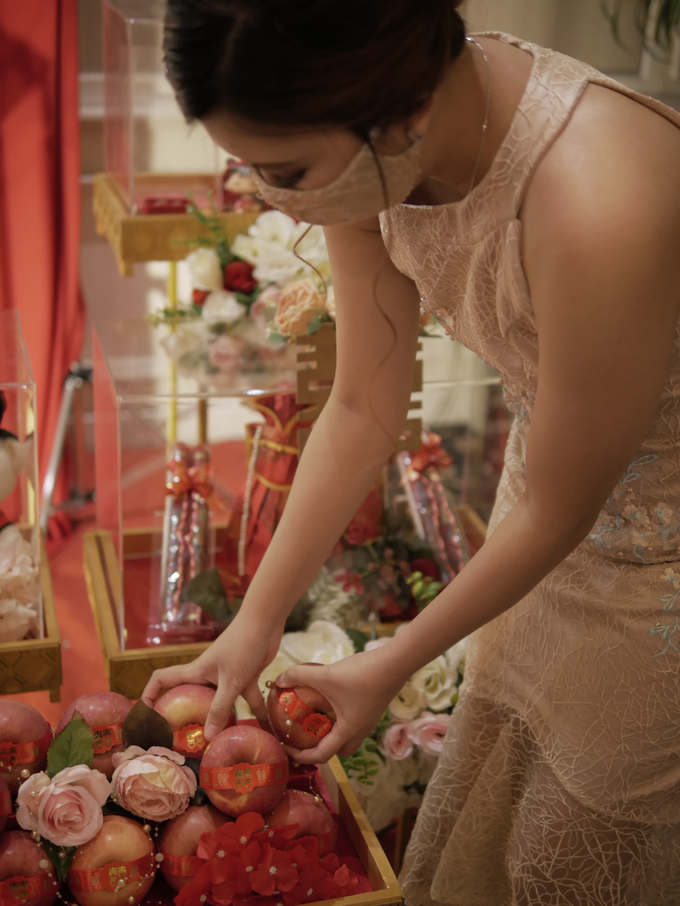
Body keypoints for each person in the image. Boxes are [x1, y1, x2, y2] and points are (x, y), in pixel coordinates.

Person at [143, 1, 680, 902]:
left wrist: (389, 663)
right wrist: (253, 624)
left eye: (281, 168)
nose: (260, 194)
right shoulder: (377, 145)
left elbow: (565, 501)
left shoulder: (599, 192)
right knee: (498, 804)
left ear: (406, 116)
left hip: (657, 566)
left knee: (571, 854)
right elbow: (359, 407)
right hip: (542, 510)